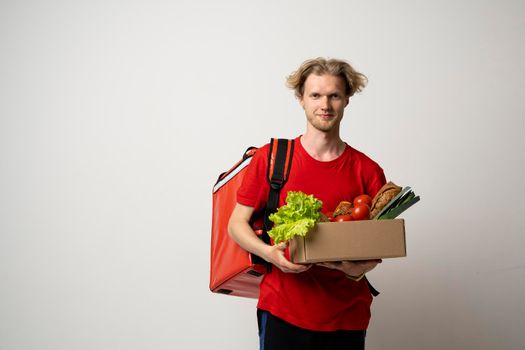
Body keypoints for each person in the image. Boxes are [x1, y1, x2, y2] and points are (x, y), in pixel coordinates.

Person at [228, 57, 387, 350]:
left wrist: (357, 271)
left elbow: (376, 246)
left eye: (334, 95)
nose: (324, 105)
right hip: (283, 310)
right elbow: (236, 224)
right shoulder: (272, 158)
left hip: (347, 316)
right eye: (315, 95)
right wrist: (270, 254)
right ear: (301, 99)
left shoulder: (368, 171)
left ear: (346, 100)